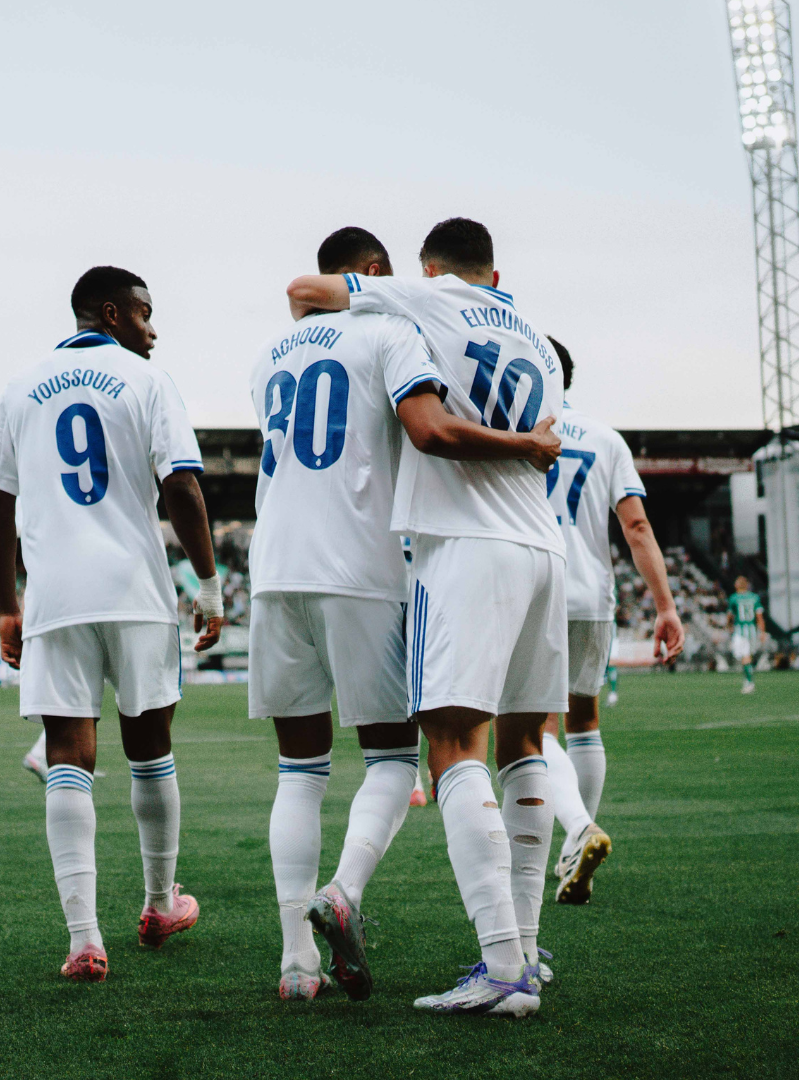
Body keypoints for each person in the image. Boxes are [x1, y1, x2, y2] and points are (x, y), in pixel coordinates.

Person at [251, 228, 560, 1002]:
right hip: (381, 565)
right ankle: (500, 949)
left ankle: (297, 965)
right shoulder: (423, 329)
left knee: (299, 770)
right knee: (423, 755)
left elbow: (302, 305)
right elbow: (426, 430)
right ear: (377, 274)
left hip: (274, 569)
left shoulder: (269, 357)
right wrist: (525, 445)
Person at [0, 266, 223, 983]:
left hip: (55, 594)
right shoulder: (149, 380)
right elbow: (180, 483)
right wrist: (207, 585)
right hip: (136, 589)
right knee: (150, 749)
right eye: (146, 313)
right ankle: (157, 903)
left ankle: (84, 939)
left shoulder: (21, 385)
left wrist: (6, 603)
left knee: (67, 756)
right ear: (112, 313)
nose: (154, 328)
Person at [538, 336, 682, 910]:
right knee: (585, 720)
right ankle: (579, 839)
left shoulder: (516, 433)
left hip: (530, 584)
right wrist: (666, 606)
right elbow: (638, 527)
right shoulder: (605, 438)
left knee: (532, 729)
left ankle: (576, 831)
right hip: (590, 593)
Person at [727, 577, 767, 694]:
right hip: (752, 630)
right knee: (747, 656)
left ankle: (749, 682)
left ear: (737, 586)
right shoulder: (754, 597)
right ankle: (748, 680)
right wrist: (762, 632)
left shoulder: (734, 598)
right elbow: (759, 617)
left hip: (740, 630)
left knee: (744, 656)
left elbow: (730, 616)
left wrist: (729, 626)